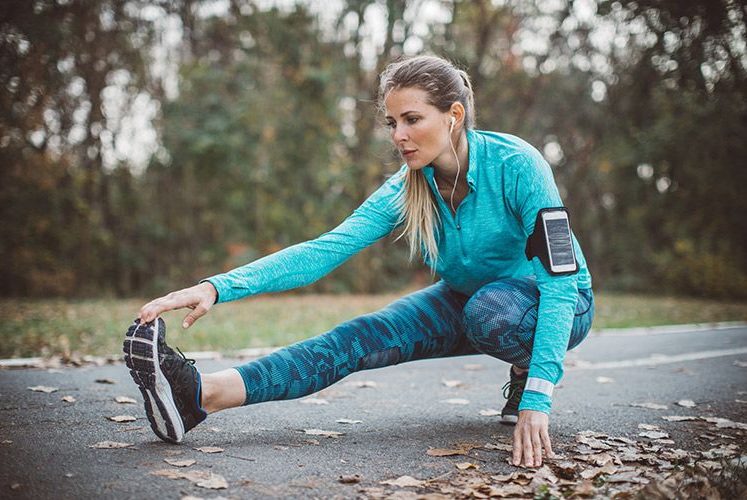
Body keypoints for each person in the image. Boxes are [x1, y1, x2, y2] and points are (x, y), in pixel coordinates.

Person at [124, 54, 594, 469]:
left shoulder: (519, 165)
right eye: (392, 123)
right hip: (468, 298)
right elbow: (324, 250)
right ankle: (198, 396)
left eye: (411, 119)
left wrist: (538, 393)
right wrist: (216, 287)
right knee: (356, 337)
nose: (399, 136)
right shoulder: (408, 185)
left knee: (492, 311)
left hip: (558, 302)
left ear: (454, 116)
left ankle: (521, 369)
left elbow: (558, 280)